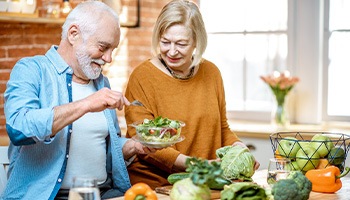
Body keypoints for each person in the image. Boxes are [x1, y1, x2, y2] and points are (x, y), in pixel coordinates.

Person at [1, 1, 156, 200]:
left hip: (104, 194)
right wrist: (86, 104)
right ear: (73, 34)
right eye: (103, 47)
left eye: (113, 49)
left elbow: (100, 149)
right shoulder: (31, 70)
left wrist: (133, 147)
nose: (108, 58)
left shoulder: (102, 83)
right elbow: (19, 128)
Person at [124, 0, 261, 189]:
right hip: (156, 186)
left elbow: (221, 128)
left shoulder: (212, 72)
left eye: (181, 43)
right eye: (165, 42)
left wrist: (239, 149)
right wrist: (196, 165)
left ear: (197, 41)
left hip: (203, 183)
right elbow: (144, 142)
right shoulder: (142, 77)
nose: (171, 51)